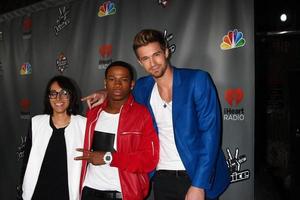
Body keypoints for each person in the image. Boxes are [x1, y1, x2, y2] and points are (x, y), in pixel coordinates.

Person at [82, 29, 230, 200]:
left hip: (195, 174)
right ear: (139, 62)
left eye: (156, 54)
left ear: (166, 51)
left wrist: (199, 184)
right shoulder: (143, 88)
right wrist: (104, 93)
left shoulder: (197, 80)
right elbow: (120, 90)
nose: (152, 63)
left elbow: (210, 135)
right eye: (145, 58)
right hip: (161, 177)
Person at [75, 61, 159, 200]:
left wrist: (108, 157)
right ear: (105, 83)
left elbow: (149, 160)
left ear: (132, 84)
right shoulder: (93, 113)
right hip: (89, 190)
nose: (117, 84)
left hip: (124, 193)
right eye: (112, 79)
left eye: (123, 80)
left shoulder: (142, 114)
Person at [21, 75, 86, 200]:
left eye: (64, 93)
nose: (58, 98)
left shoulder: (83, 124)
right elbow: (26, 162)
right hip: (37, 193)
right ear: (48, 97)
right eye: (53, 93)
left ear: (71, 96)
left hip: (68, 194)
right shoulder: (36, 122)